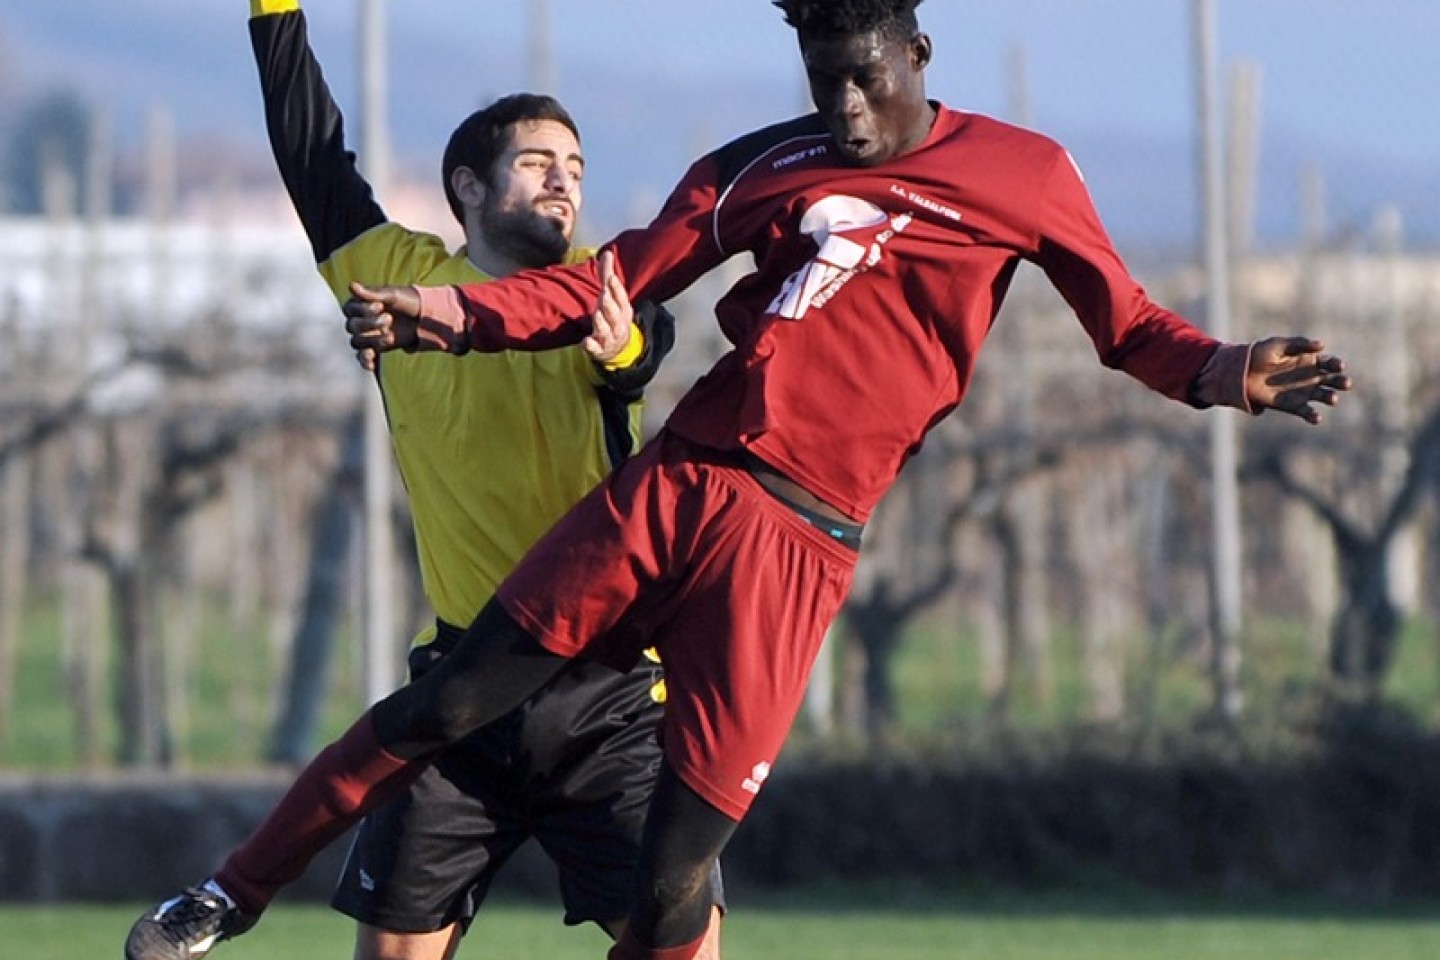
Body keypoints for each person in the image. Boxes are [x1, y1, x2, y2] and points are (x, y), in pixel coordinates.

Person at [131, 2, 1354, 959]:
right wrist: (454, 314)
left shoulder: (1024, 175)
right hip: (685, 484)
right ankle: (224, 896)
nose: (846, 105)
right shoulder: (761, 163)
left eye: (865, 75)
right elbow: (618, 282)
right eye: (824, 80)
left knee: (675, 891)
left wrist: (1224, 368)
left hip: (799, 548)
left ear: (919, 53)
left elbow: (1130, 325)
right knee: (445, 706)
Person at [124, 3, 726, 960]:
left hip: (607, 690)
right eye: (539, 163)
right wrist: (274, 14)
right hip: (462, 681)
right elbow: (312, 152)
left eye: (575, 167)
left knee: (680, 949)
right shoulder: (390, 276)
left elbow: (645, 343)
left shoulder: (601, 288)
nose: (565, 182)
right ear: (469, 187)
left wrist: (629, 348)